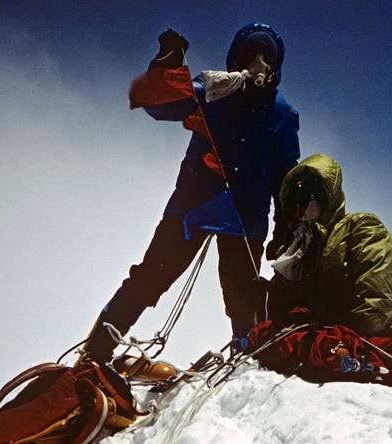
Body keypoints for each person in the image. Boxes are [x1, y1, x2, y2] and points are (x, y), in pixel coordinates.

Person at [81, 22, 300, 364]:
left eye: (265, 57)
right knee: (152, 275)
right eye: (251, 55)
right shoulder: (215, 90)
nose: (258, 63)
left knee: (242, 292)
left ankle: (245, 358)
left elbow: (285, 174)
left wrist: (286, 226)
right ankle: (94, 353)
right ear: (237, 59)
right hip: (195, 206)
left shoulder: (281, 112)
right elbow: (155, 101)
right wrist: (167, 67)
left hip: (240, 217)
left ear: (274, 65)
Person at [266, 153, 392, 336]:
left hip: (352, 342)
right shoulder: (297, 248)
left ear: (320, 196)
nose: (296, 208)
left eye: (301, 195)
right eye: (292, 199)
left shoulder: (360, 227)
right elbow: (282, 305)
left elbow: (378, 300)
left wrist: (352, 343)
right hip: (311, 340)